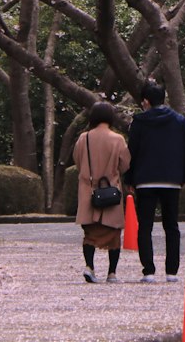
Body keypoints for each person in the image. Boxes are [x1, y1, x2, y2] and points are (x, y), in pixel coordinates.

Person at [124, 81, 185, 283]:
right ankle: (172, 272)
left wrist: (129, 179)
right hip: (172, 179)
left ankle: (149, 271)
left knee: (145, 226)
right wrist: (184, 177)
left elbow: (132, 152)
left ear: (145, 101)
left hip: (145, 180)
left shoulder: (139, 122)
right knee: (171, 225)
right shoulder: (180, 121)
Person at [74, 100, 130, 284]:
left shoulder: (84, 138)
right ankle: (112, 273)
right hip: (110, 193)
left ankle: (89, 266)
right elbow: (125, 165)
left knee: (90, 233)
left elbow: (77, 160)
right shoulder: (118, 139)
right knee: (113, 235)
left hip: (89, 193)